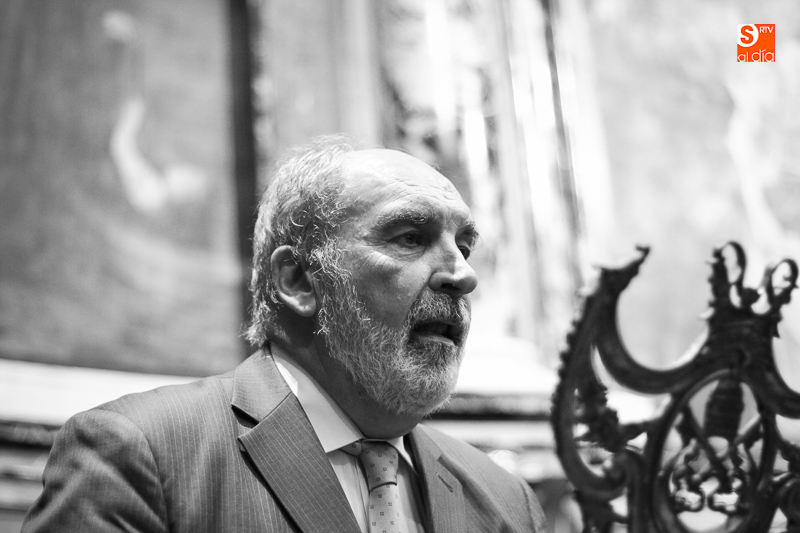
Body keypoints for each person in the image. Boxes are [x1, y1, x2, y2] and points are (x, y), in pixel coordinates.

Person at [23, 136, 546, 532]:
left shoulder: (506, 502)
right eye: (410, 237)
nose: (463, 275)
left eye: (464, 247)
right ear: (297, 280)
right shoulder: (139, 454)